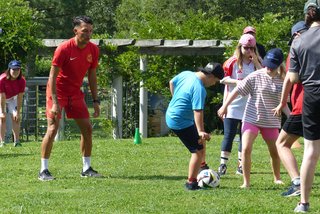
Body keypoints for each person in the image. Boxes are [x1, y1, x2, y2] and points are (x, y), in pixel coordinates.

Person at [38, 15, 101, 181]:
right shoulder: (64, 49)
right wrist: (55, 103)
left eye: (91, 31)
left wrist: (95, 100)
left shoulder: (93, 49)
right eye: (85, 31)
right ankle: (43, 170)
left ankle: (86, 168)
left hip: (75, 92)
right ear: (75, 31)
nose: (88, 34)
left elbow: (92, 76)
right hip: (57, 92)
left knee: (87, 129)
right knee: (53, 129)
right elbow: (52, 76)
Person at [218, 48, 289, 188]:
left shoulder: (284, 80)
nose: (268, 68)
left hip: (270, 121)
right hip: (251, 118)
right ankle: (246, 182)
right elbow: (237, 90)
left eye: (272, 66)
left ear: (279, 65)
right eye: (267, 64)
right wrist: (225, 106)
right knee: (245, 149)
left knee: (275, 151)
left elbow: (284, 103)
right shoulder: (255, 76)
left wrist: (292, 117)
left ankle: (277, 177)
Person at [166, 62, 224, 190]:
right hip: (179, 120)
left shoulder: (187, 74)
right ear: (211, 76)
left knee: (200, 142)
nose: (214, 84)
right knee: (197, 151)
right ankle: (191, 183)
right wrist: (201, 130)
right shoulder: (199, 88)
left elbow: (171, 82)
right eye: (215, 81)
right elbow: (198, 111)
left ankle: (202, 167)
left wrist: (176, 99)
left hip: (173, 114)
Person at [288, 1, 320, 212]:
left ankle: (304, 204)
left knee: (310, 150)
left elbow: (293, 77)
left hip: (312, 96)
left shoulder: (298, 42)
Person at [272, 21, 309, 198]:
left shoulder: (297, 48)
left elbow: (289, 79)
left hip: (303, 106)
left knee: (282, 143)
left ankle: (297, 183)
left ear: (296, 35)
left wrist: (281, 102)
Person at [218, 34, 262, 176]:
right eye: (246, 47)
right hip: (233, 104)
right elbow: (223, 80)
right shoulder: (232, 62)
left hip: (249, 105)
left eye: (251, 48)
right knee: (229, 135)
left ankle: (241, 165)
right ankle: (223, 164)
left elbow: (264, 76)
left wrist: (256, 61)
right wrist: (237, 82)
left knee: (245, 136)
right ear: (240, 47)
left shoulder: (256, 61)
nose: (248, 50)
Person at [0, 60, 26, 147]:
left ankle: (17, 141)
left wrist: (18, 112)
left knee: (16, 118)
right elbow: (2, 97)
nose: (16, 72)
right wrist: (2, 112)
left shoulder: (22, 80)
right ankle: (2, 142)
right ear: (9, 69)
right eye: (13, 69)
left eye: (18, 69)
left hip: (12, 98)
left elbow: (20, 97)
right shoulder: (2, 79)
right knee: (2, 118)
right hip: (1, 98)